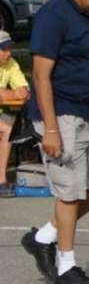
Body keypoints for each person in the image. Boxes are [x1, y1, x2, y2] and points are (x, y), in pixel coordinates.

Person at [20, 0, 89, 284]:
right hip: (62, 113)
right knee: (69, 193)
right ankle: (66, 267)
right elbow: (41, 75)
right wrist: (50, 128)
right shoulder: (53, 16)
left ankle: (43, 236)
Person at [0, 30, 29, 197]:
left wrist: (6, 94)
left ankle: (1, 179)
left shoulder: (11, 63)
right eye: (4, 49)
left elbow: (24, 92)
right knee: (5, 128)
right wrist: (10, 94)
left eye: (9, 48)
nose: (8, 53)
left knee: (8, 126)